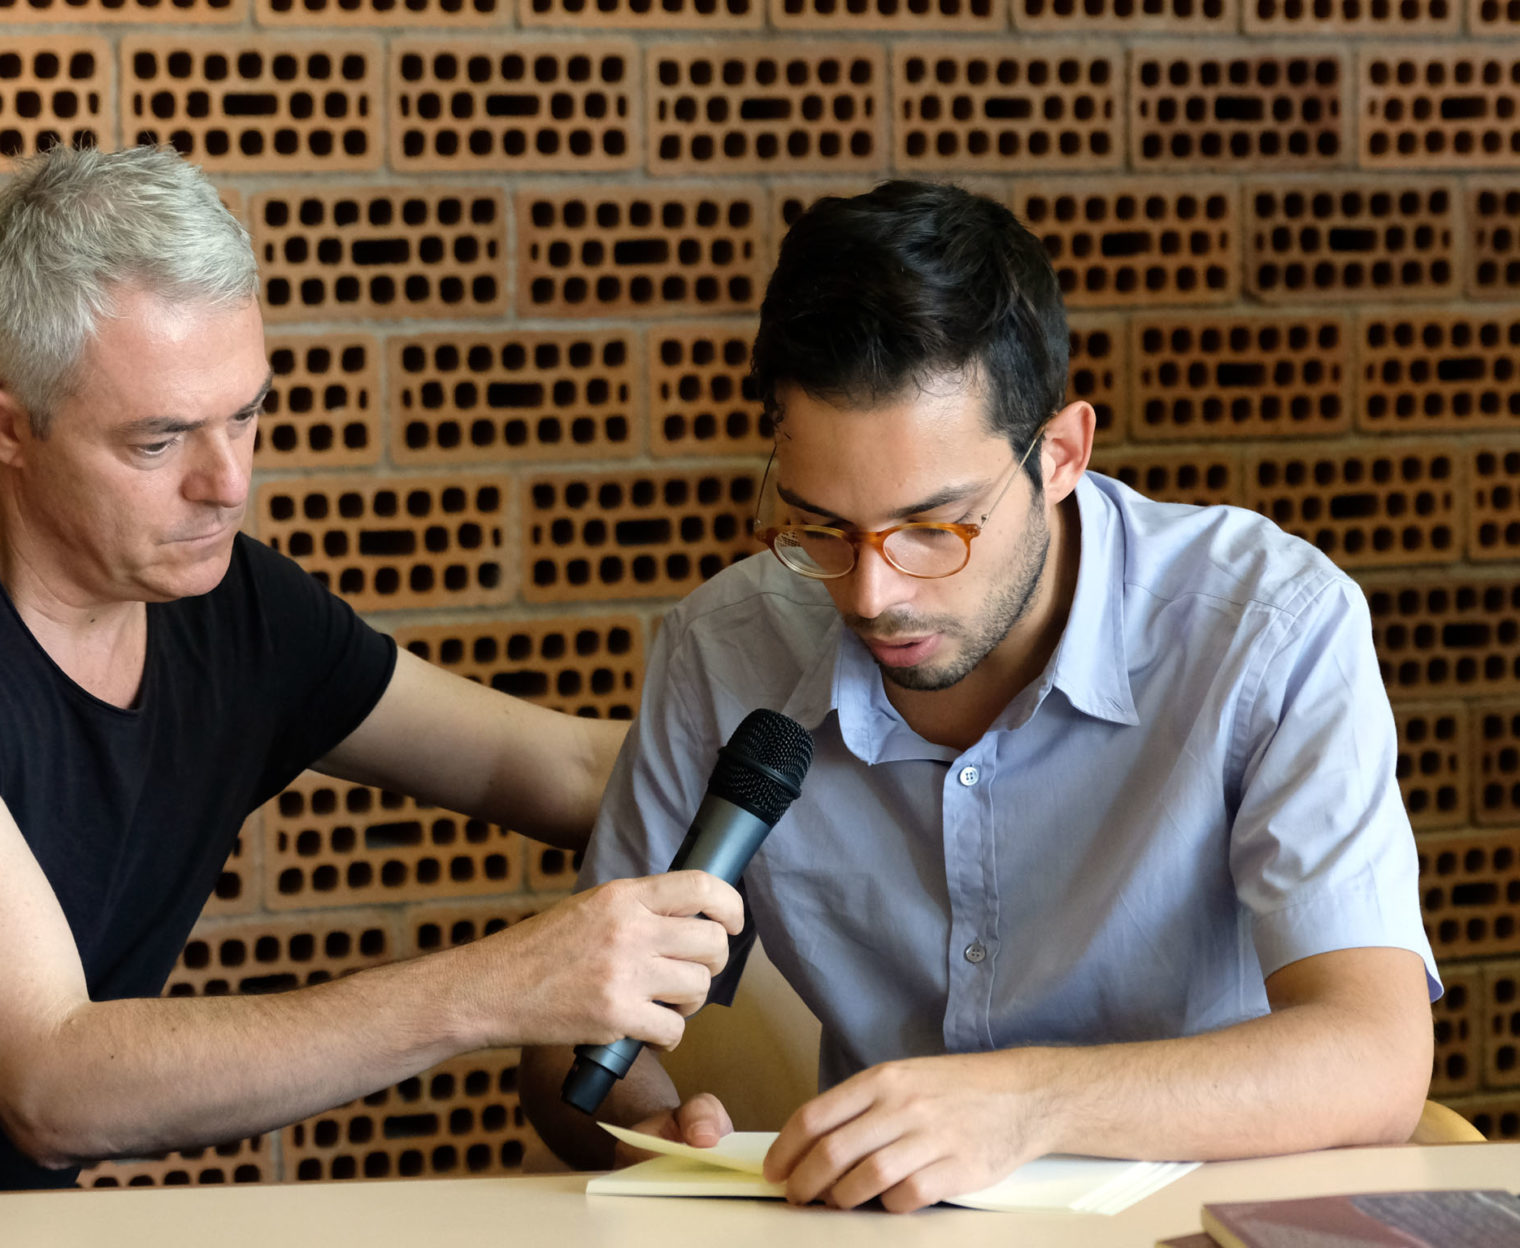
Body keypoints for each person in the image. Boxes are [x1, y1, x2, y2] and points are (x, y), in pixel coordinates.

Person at [0, 145, 741, 1203]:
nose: (227, 483)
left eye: (247, 416)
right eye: (158, 442)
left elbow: (568, 767)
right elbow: (52, 1083)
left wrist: (871, 741)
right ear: (1, 424)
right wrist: (499, 986)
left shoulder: (232, 605)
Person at [520, 180, 1440, 1212]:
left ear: (1060, 455)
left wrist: (1028, 1104)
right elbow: (574, 1046)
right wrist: (647, 1125)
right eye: (821, 527)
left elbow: (1376, 1054)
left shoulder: (1267, 626)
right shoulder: (725, 649)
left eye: (934, 528)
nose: (873, 595)